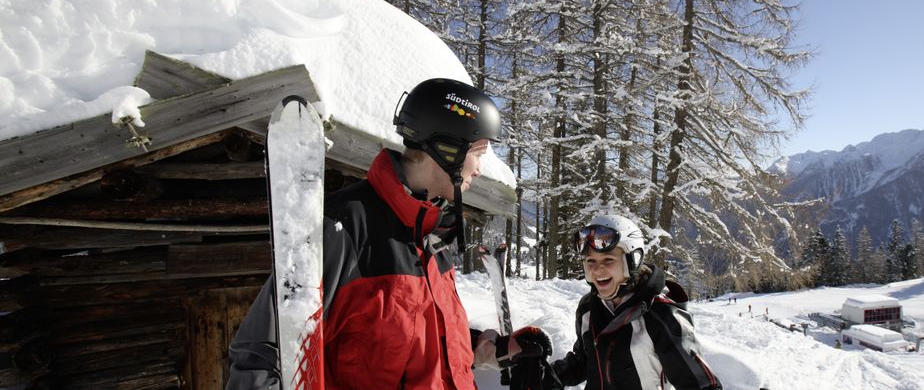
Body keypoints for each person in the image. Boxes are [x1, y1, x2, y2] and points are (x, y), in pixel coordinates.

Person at [226, 78, 551, 389]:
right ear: (447, 148)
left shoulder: (433, 235)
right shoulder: (345, 227)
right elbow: (262, 354)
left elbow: (420, 336)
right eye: (478, 153)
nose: (480, 168)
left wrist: (491, 347)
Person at [550, 214, 722, 390]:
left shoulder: (661, 313)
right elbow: (585, 360)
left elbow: (701, 384)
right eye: (590, 261)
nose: (597, 269)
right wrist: (548, 375)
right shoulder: (588, 308)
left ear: (633, 259)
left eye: (608, 260)